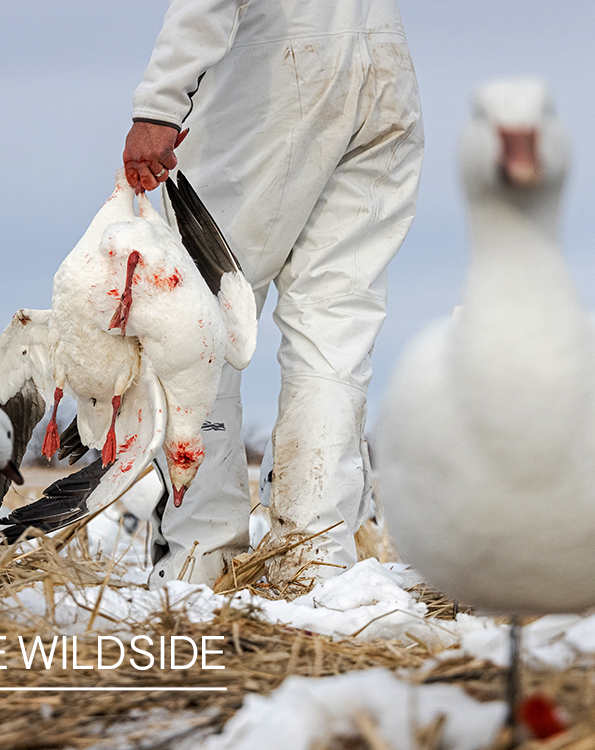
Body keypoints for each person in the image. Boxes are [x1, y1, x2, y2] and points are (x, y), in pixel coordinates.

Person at [123, 0, 424, 590]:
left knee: (199, 322)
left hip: (274, 73)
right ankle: (314, 559)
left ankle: (199, 560)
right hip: (384, 70)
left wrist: (159, 104)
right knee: (334, 330)